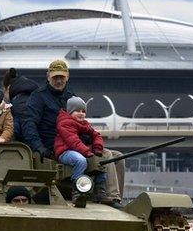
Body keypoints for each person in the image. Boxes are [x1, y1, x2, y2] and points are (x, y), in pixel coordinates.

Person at [23, 59, 124, 208]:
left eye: (61, 77)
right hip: (55, 147)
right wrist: (40, 148)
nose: (58, 80)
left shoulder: (71, 97)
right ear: (48, 77)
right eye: (55, 77)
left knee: (118, 157)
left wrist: (91, 142)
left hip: (75, 143)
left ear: (67, 77)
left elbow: (82, 125)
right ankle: (107, 197)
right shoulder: (38, 97)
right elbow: (29, 125)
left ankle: (115, 198)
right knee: (106, 155)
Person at [54, 97, 107, 206]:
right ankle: (77, 190)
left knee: (100, 162)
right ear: (70, 111)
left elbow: (97, 135)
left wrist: (97, 149)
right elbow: (73, 141)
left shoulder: (85, 124)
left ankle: (100, 190)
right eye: (77, 111)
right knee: (80, 160)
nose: (81, 113)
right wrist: (87, 152)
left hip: (78, 150)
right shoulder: (65, 122)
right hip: (65, 151)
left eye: (83, 111)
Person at [2, 68, 39, 141]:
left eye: (4, 91)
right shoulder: (33, 97)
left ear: (8, 88)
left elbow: (16, 129)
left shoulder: (18, 103)